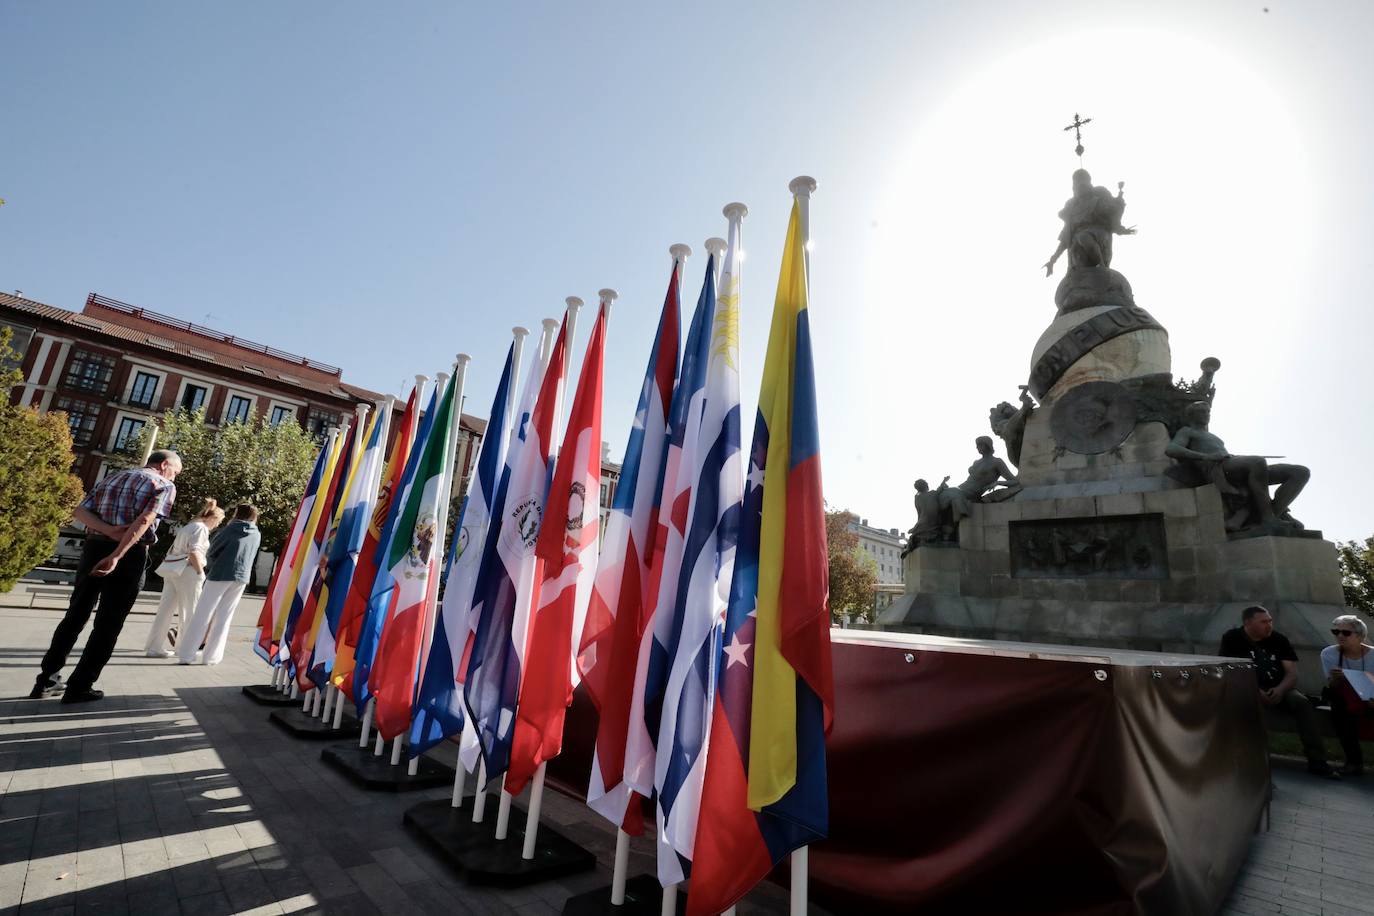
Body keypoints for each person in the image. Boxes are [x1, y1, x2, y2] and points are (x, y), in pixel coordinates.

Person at [31, 450, 181, 703]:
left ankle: (46, 679)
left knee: (76, 613)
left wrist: (109, 530)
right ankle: (80, 686)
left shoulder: (114, 478)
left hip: (93, 546)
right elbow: (145, 519)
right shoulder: (163, 484)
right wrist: (117, 554)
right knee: (109, 623)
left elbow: (80, 511)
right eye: (175, 472)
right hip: (129, 554)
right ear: (165, 465)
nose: (175, 477)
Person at [1218, 605, 1339, 778]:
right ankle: (1249, 758)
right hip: (1247, 687)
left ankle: (1317, 761)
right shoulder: (1232, 638)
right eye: (1263, 622)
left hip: (1279, 687)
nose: (1269, 625)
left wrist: (1281, 690)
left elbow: (1291, 673)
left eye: (1270, 621)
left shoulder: (1279, 640)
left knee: (1302, 703)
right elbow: (1231, 669)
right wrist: (1255, 690)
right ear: (1248, 623)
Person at [1166, 401, 1310, 533]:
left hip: (1233, 465)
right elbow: (1171, 449)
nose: (1206, 415)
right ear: (1191, 415)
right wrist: (1207, 456)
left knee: (1300, 472)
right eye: (1202, 412)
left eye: (1208, 411)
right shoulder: (1187, 431)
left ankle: (1272, 514)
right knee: (1257, 462)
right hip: (1219, 469)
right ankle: (1268, 519)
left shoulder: (1213, 436)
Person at [177, 503, 260, 666]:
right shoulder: (256, 533)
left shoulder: (229, 530)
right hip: (241, 577)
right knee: (224, 617)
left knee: (203, 613)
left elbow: (213, 550)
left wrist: (210, 566)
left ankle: (187, 654)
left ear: (237, 513)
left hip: (220, 574)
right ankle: (212, 657)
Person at [144, 498, 225, 658]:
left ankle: (154, 647)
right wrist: (200, 573)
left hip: (173, 570)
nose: (217, 525)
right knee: (189, 611)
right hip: (189, 571)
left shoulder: (189, 526)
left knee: (165, 610)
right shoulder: (201, 529)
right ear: (212, 518)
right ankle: (184, 649)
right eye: (218, 522)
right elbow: (194, 551)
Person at [1320, 614, 1374, 777]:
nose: (1340, 636)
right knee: (1339, 709)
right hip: (1346, 700)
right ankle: (1354, 762)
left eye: (1346, 633)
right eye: (1336, 632)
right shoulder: (1329, 654)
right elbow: (1333, 686)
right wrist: (1337, 678)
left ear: (1360, 636)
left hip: (1371, 697)